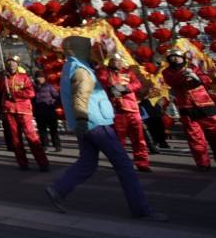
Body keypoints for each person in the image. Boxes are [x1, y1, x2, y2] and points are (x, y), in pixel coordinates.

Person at [45, 36, 167, 221]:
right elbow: (81, 96)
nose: (91, 52)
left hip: (89, 122)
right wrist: (82, 118)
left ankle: (59, 190)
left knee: (87, 163)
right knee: (124, 166)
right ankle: (141, 209)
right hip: (97, 122)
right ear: (80, 50)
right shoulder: (82, 70)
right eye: (88, 48)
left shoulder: (71, 66)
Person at [161, 47, 216, 171]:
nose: (175, 59)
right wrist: (183, 74)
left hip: (206, 105)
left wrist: (196, 77)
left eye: (178, 57)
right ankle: (203, 163)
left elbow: (206, 78)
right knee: (195, 137)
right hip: (187, 107)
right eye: (172, 57)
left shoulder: (194, 66)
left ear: (183, 57)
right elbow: (172, 81)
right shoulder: (167, 72)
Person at [96, 52, 150, 172]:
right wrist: (110, 88)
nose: (119, 63)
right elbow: (102, 82)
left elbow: (137, 84)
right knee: (119, 140)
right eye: (116, 61)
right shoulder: (104, 72)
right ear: (110, 62)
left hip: (132, 109)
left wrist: (125, 88)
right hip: (117, 111)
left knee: (139, 139)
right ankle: (122, 163)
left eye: (120, 61)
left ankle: (142, 163)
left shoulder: (128, 72)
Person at [0, 56, 50, 171]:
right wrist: (1, 79)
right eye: (9, 62)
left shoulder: (24, 77)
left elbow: (31, 93)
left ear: (17, 64)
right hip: (9, 110)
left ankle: (42, 162)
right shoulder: (3, 76)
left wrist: (15, 94)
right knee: (15, 137)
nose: (11, 64)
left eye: (14, 62)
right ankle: (22, 162)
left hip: (23, 110)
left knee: (31, 135)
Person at [33, 71, 63, 153]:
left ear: (45, 78)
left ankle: (57, 146)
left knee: (53, 130)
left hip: (50, 111)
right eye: (38, 77)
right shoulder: (33, 87)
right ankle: (44, 145)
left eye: (41, 77)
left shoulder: (49, 87)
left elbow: (57, 97)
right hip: (39, 112)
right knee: (42, 130)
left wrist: (52, 104)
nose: (40, 79)